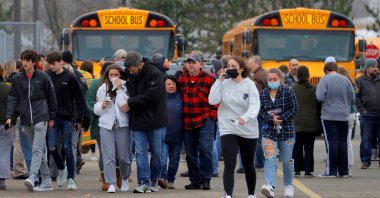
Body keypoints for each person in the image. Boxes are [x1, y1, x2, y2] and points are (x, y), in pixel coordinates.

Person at [6, 49, 57, 192]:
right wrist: (10, 116)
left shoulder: (43, 77)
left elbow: (52, 98)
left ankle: (33, 176)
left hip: (41, 117)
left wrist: (52, 117)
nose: (25, 63)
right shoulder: (17, 79)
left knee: (36, 149)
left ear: (34, 62)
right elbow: (13, 99)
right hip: (26, 119)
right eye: (23, 60)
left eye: (28, 61)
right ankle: (46, 180)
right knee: (37, 151)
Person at [209, 56, 260, 198]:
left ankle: (251, 194)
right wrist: (219, 80)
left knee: (248, 163)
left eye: (233, 66)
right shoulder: (223, 83)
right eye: (228, 66)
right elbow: (212, 100)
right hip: (228, 127)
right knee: (229, 163)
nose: (230, 69)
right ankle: (228, 195)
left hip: (248, 128)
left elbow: (255, 105)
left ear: (241, 68)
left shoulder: (249, 85)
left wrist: (245, 118)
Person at [123, 51, 167, 193]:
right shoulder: (128, 74)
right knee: (141, 152)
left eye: (133, 70)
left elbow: (153, 95)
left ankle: (154, 180)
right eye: (129, 70)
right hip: (137, 120)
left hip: (156, 120)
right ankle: (143, 181)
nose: (131, 72)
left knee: (157, 152)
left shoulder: (155, 74)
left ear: (140, 64)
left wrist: (131, 102)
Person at [46, 51, 85, 190]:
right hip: (52, 118)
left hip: (67, 118)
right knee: (51, 147)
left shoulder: (70, 77)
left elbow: (80, 99)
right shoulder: (47, 76)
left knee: (68, 147)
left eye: (54, 64)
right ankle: (61, 168)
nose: (51, 66)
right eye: (49, 64)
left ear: (61, 62)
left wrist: (79, 118)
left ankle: (71, 179)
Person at [178, 50, 216, 190]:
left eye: (193, 62)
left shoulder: (209, 79)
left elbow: (216, 100)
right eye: (188, 62)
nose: (190, 65)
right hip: (187, 120)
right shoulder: (182, 79)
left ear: (200, 64)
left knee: (205, 149)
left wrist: (212, 116)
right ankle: (195, 180)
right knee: (190, 153)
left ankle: (206, 179)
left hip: (205, 119)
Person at [259, 68, 298, 198]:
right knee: (270, 158)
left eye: (274, 79)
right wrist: (272, 119)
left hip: (286, 131)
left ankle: (288, 185)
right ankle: (269, 186)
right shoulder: (263, 94)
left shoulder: (288, 92)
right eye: (269, 79)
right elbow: (260, 112)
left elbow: (294, 109)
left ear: (280, 79)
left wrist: (281, 118)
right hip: (269, 131)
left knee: (287, 161)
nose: (272, 81)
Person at [94, 64, 131, 193]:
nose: (113, 77)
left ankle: (125, 178)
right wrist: (101, 106)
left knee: (123, 156)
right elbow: (96, 109)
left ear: (121, 76)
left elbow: (124, 106)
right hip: (106, 125)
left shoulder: (126, 88)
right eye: (111, 75)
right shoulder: (102, 88)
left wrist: (120, 90)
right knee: (108, 156)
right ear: (107, 76)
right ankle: (111, 183)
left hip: (122, 125)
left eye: (116, 75)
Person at [316, 62, 355, 177]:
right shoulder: (346, 80)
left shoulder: (325, 79)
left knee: (331, 142)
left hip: (329, 115)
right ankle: (344, 171)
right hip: (344, 115)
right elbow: (352, 97)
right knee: (343, 142)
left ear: (326, 70)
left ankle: (331, 171)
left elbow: (319, 97)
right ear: (336, 69)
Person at [86, 61, 114, 191]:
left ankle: (116, 175)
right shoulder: (96, 85)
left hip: (118, 124)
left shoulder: (120, 84)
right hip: (100, 124)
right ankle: (105, 180)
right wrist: (99, 109)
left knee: (117, 153)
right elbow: (90, 102)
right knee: (104, 152)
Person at [292, 66, 321, 177]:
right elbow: (319, 105)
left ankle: (297, 169)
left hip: (297, 122)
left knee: (297, 146)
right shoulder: (314, 89)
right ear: (308, 75)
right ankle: (308, 170)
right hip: (311, 123)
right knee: (309, 147)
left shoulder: (293, 88)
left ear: (297, 75)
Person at [157, 75, 184, 190]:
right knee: (162, 158)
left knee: (174, 160)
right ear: (163, 86)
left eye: (173, 83)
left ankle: (171, 180)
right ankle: (162, 178)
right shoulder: (159, 98)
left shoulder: (181, 97)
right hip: (163, 135)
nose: (171, 86)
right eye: (168, 84)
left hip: (178, 135)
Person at [355, 58, 380, 169]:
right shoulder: (359, 81)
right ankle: (365, 161)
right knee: (365, 138)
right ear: (367, 68)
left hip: (379, 114)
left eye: (376, 66)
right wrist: (362, 110)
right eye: (373, 66)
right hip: (367, 114)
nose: (375, 68)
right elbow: (356, 97)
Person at [247, 55, 268, 172]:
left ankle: (260, 163)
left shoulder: (257, 78)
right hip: (265, 109)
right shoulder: (264, 73)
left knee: (259, 138)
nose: (248, 65)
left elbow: (256, 96)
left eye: (250, 63)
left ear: (256, 64)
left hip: (260, 110)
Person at [0, 64, 17, 190]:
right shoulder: (8, 88)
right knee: (4, 152)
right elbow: (16, 106)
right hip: (6, 124)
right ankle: (1, 181)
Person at [337, 66, 356, 174]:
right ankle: (349, 164)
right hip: (351, 113)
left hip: (343, 113)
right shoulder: (350, 83)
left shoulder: (341, 84)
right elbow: (353, 98)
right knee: (348, 141)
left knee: (343, 141)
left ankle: (345, 164)